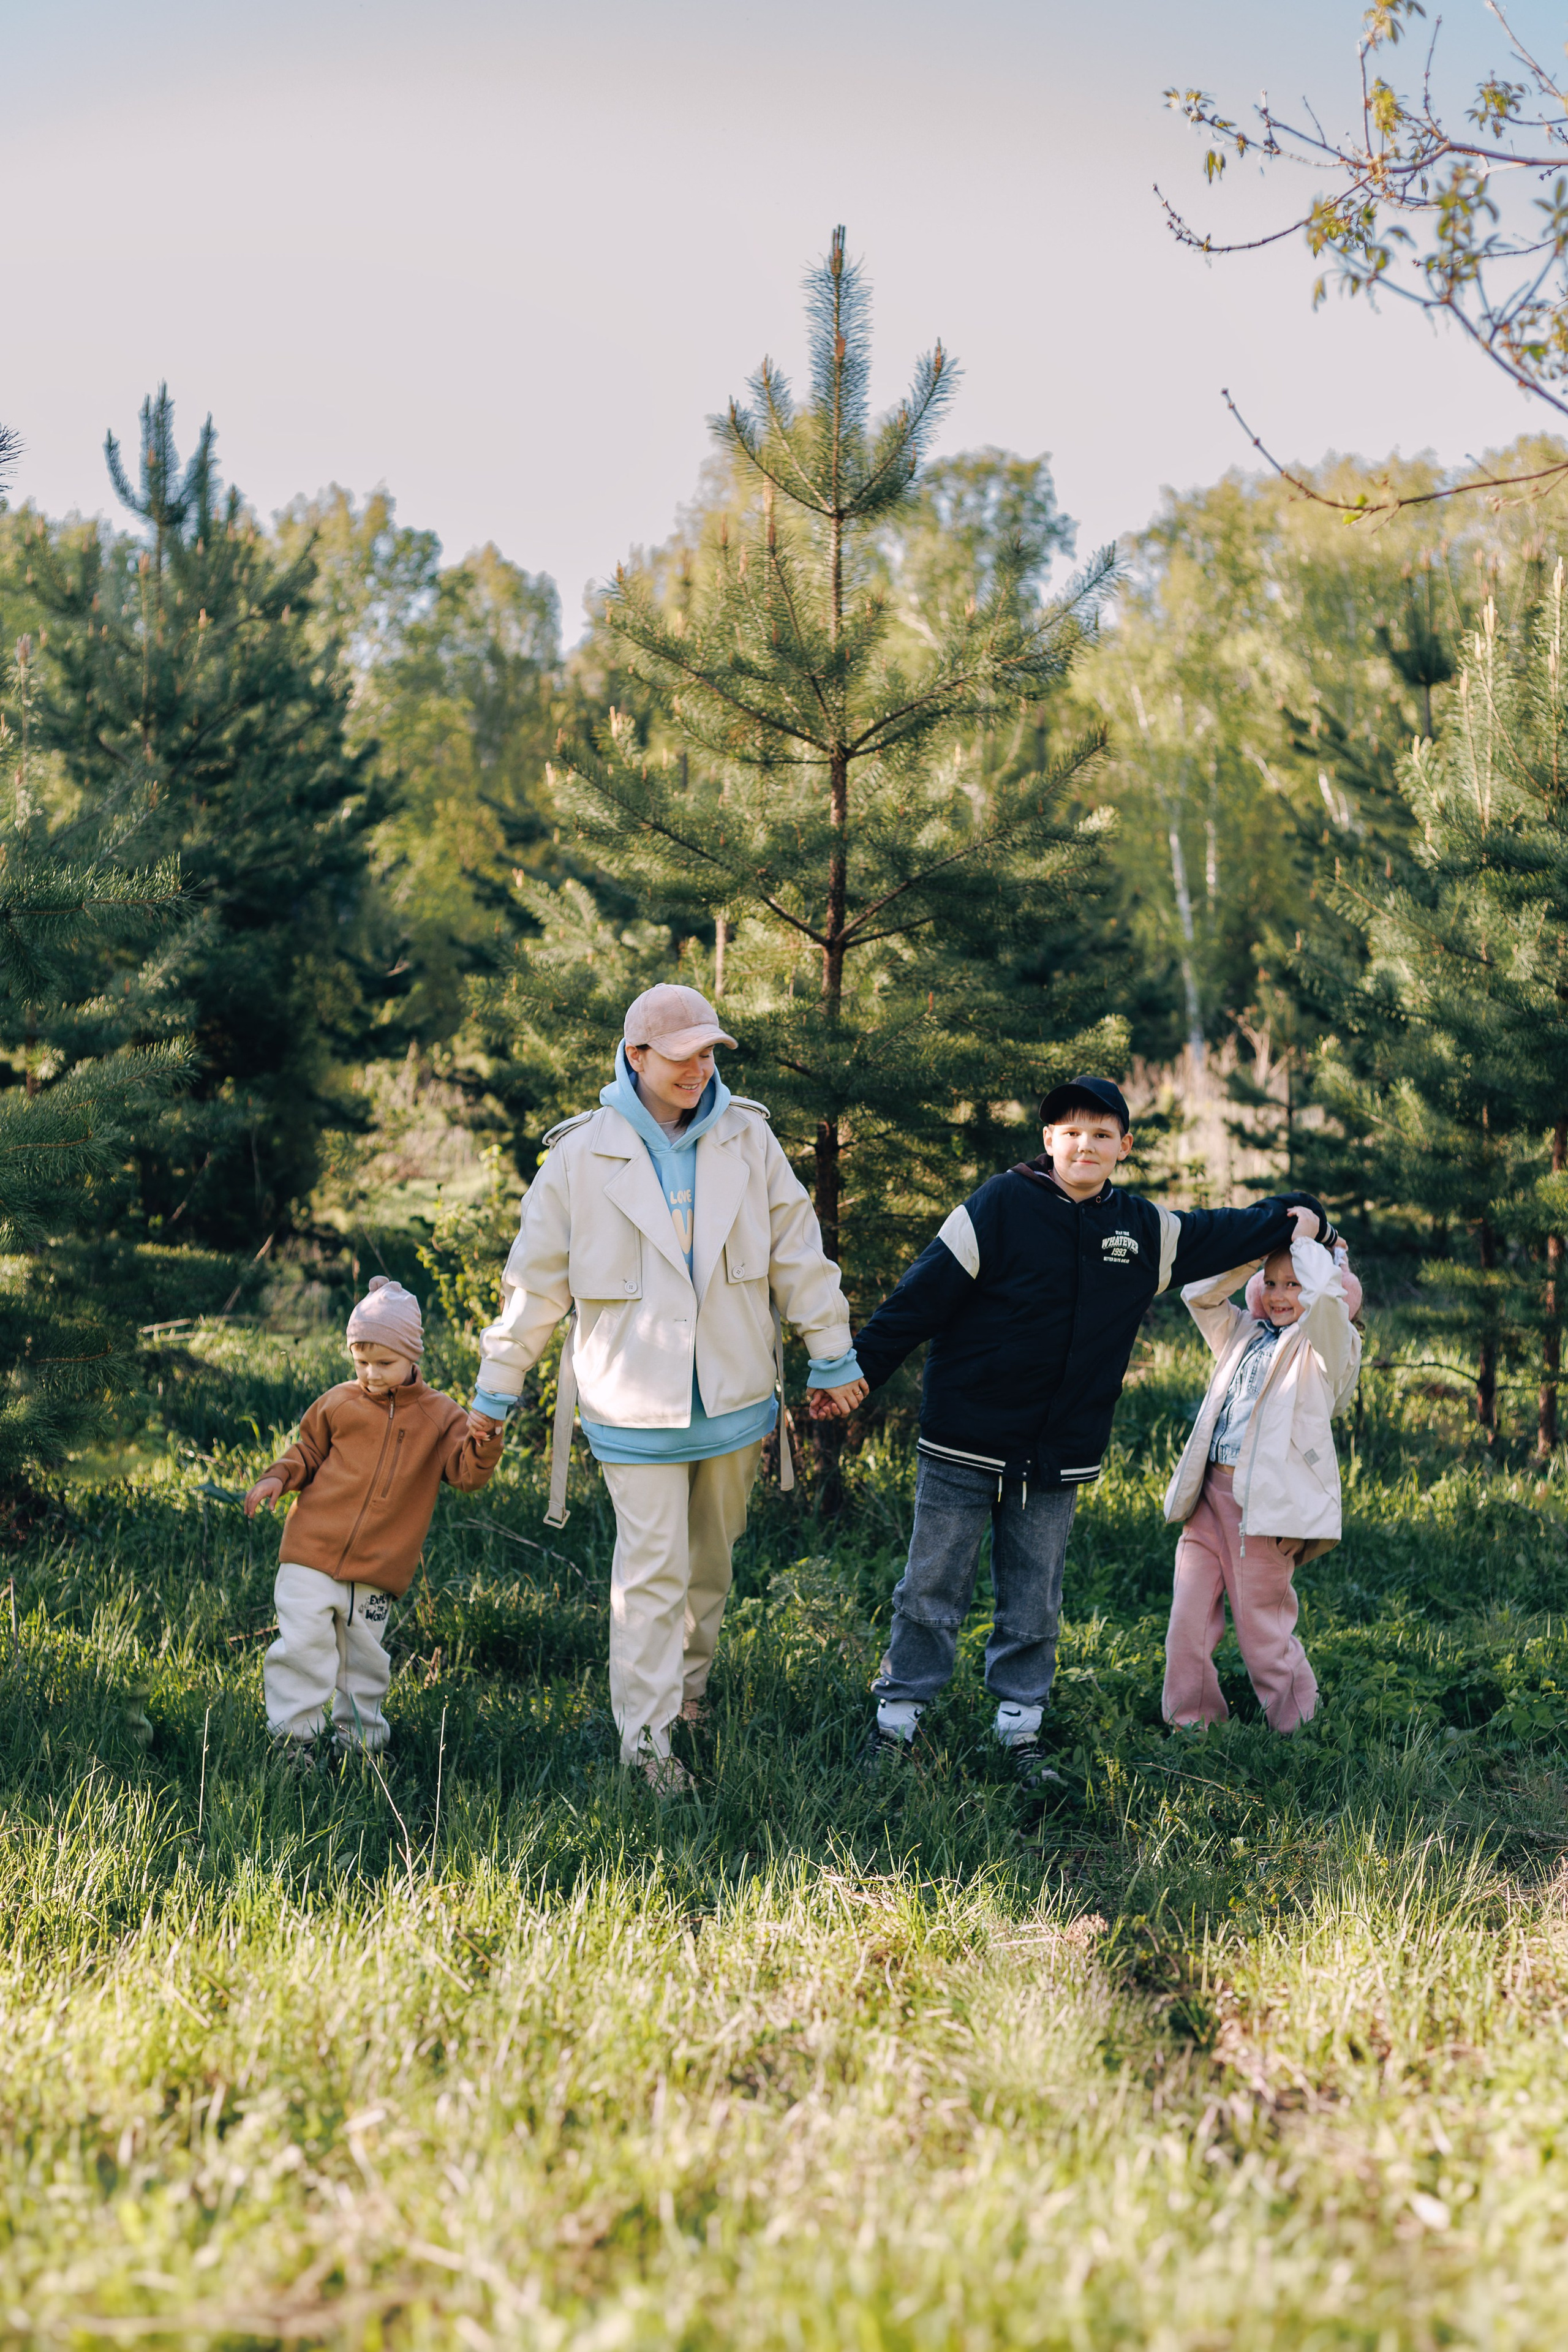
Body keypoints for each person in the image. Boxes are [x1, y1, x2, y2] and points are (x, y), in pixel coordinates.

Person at [836, 1076, 1336, 1782]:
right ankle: (897, 1722)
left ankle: (1019, 1728)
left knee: (1034, 1596)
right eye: (1070, 1132)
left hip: (1056, 1453)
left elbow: (1229, 1230)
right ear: (1048, 1142)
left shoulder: (1143, 1230)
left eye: (1102, 1134)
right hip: (964, 1440)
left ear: (1123, 1147)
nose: (1085, 1145)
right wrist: (856, 1371)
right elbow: (919, 1298)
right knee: (931, 1588)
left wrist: (1302, 1217)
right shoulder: (997, 1206)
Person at [468, 984, 867, 1794]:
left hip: (732, 1401)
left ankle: (687, 1699)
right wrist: (494, 1391)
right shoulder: (582, 1154)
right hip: (632, 1408)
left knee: (709, 1569)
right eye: (683, 1055)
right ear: (637, 1056)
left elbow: (798, 1252)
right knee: (648, 1575)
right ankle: (647, 1747)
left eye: (710, 1052)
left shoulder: (748, 1140)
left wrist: (833, 1354)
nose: (700, 1069)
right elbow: (535, 1285)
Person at [245, 1276, 505, 1766]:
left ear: (412, 1358)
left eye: (384, 1362)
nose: (371, 1373)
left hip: (379, 1571)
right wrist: (277, 1478)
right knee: (301, 1648)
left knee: (365, 1666)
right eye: (360, 1361)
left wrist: (485, 1440)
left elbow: (467, 1474)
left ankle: (359, 1752)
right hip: (309, 1554)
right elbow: (307, 1450)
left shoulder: (440, 1416)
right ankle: (292, 1745)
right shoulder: (339, 1402)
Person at [1159, 1216, 1363, 1733]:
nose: (1278, 1294)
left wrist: (1319, 1242)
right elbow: (1199, 1294)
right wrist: (1257, 1249)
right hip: (1209, 1498)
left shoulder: (1326, 1349)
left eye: (1290, 1284)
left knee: (1262, 1632)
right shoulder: (1244, 1333)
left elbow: (1325, 1298)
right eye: (1270, 1283)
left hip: (1267, 1509)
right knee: (1187, 1621)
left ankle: (1299, 1729)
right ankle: (1192, 1726)